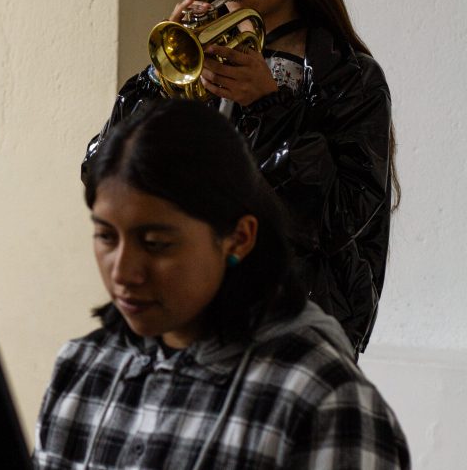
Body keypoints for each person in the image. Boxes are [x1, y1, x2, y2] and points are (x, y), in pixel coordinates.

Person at [82, 0, 396, 354]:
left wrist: (270, 106)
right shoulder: (196, 55)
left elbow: (341, 219)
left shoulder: (350, 77)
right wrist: (160, 83)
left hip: (294, 329)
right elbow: (102, 178)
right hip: (183, 318)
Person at [37, 100, 408, 469]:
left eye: (156, 243)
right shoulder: (81, 368)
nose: (123, 271)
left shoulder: (322, 400)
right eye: (106, 237)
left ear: (238, 238)